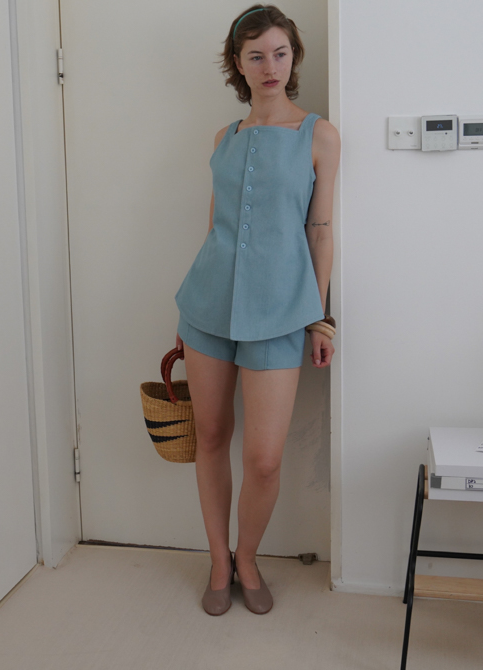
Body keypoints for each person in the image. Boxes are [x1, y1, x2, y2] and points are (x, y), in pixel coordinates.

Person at [173, 4, 340, 616]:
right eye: (256, 55)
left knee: (264, 459)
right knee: (212, 437)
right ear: (238, 65)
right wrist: (187, 315)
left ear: (293, 57)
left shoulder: (319, 135)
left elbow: (320, 230)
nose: (271, 66)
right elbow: (214, 228)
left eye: (280, 53)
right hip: (207, 308)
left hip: (281, 313)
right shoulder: (224, 138)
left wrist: (321, 317)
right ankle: (219, 562)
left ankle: (247, 557)